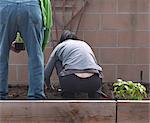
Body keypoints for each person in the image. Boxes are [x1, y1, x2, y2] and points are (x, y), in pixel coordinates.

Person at [0, 0, 52, 99]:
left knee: (1, 54)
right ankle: (36, 95)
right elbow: (47, 20)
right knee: (35, 56)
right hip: (31, 7)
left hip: (4, 6)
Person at [44, 30, 103, 99]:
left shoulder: (60, 46)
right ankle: (95, 98)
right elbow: (95, 66)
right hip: (94, 81)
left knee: (57, 61)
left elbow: (46, 74)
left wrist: (49, 86)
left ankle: (67, 94)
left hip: (71, 81)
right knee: (94, 71)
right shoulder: (84, 44)